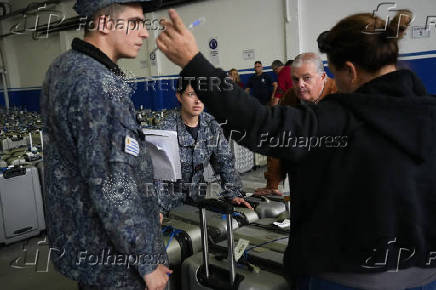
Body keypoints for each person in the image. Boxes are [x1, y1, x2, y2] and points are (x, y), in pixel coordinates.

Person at [157, 8, 436, 290]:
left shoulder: (336, 120)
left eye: (334, 73)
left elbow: (258, 124)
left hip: (343, 278)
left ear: (350, 71)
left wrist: (193, 62)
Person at [41, 1, 172, 290]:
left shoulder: (63, 67)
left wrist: (148, 208)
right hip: (117, 262)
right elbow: (111, 185)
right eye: (135, 23)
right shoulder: (99, 85)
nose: (144, 33)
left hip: (86, 246)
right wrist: (147, 263)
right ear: (103, 24)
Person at [156, 79, 252, 214]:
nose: (198, 100)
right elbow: (155, 174)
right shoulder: (165, 129)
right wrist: (157, 210)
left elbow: (225, 162)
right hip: (167, 206)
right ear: (179, 96)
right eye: (191, 94)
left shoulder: (212, 126)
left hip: (197, 202)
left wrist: (234, 194)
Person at [255, 53, 337, 196]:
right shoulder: (290, 97)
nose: (300, 85)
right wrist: (272, 182)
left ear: (323, 77)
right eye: (295, 79)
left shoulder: (340, 94)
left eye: (306, 78)